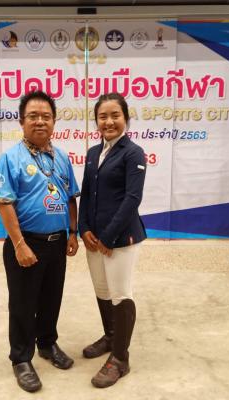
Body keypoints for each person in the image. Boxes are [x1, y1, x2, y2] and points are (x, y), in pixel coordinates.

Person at [0, 90, 79, 393]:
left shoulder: (62, 157)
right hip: (26, 243)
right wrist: (19, 244)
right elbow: (5, 203)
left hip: (57, 243)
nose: (40, 121)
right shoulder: (10, 158)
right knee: (22, 303)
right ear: (22, 121)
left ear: (54, 121)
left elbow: (71, 197)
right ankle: (21, 358)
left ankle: (47, 344)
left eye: (46, 116)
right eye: (33, 116)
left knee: (51, 298)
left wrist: (73, 232)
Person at [78, 92, 147, 388]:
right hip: (94, 238)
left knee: (120, 294)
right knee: (102, 290)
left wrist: (107, 237)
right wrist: (83, 229)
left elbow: (132, 198)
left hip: (121, 239)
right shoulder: (93, 153)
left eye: (115, 115)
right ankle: (110, 337)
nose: (108, 121)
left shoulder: (133, 153)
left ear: (126, 119)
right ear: (96, 121)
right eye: (102, 116)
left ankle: (120, 358)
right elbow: (86, 192)